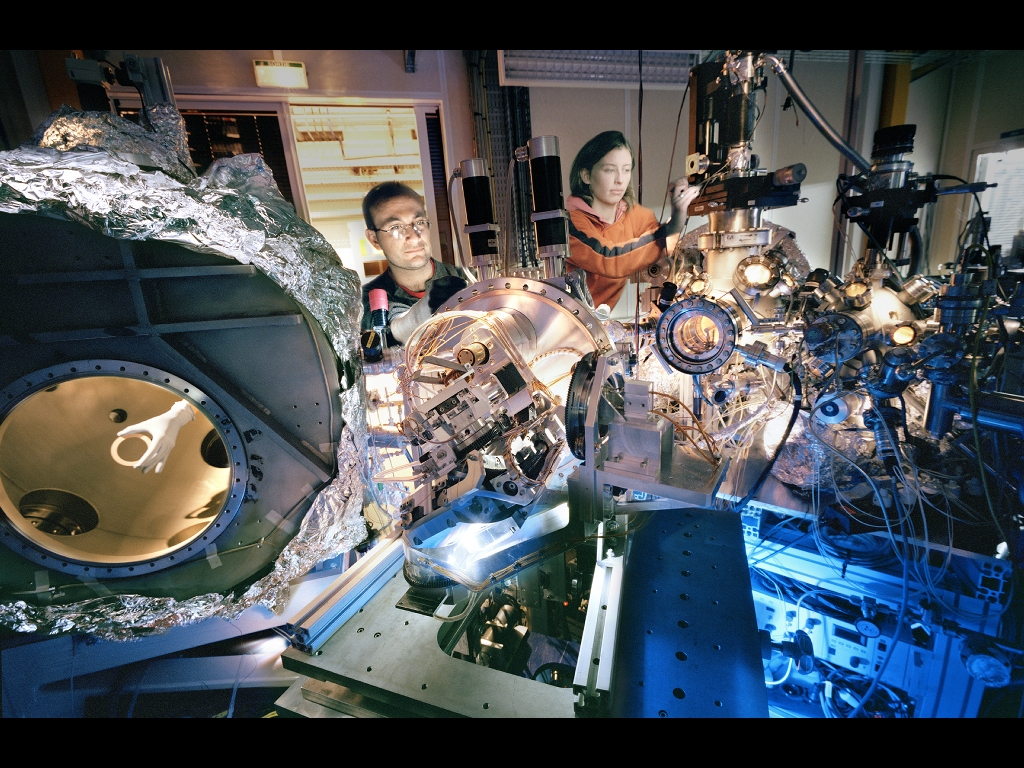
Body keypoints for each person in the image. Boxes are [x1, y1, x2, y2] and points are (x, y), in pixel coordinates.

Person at [566, 130, 700, 311]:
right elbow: (608, 258)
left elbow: (665, 248)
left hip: (603, 322)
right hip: (572, 322)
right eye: (610, 170)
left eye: (626, 170)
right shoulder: (571, 224)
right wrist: (671, 226)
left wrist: (678, 212)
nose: (620, 180)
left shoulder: (636, 216)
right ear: (586, 176)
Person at [360, 181, 466, 346]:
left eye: (419, 222)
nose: (415, 237)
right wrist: (423, 311)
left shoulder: (469, 280)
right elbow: (385, 329)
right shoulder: (364, 302)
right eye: (396, 227)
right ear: (374, 239)